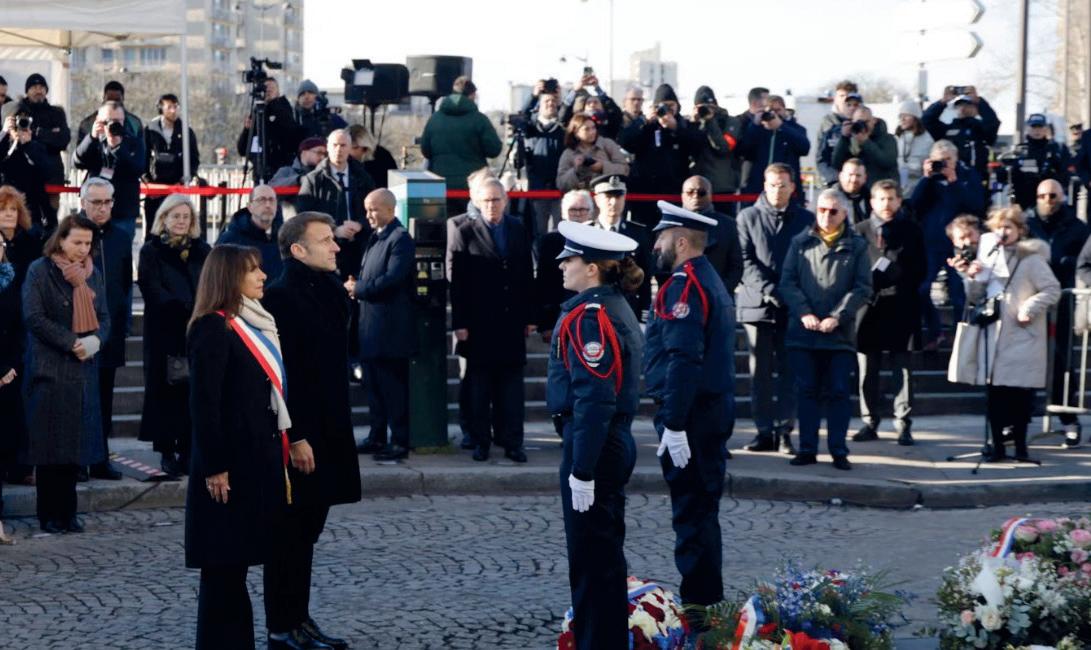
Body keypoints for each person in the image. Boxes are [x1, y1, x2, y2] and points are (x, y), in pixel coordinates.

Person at [262, 213, 362, 650]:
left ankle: (299, 620)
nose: (336, 247)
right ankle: (281, 627)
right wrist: (297, 435)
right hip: (300, 433)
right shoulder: (281, 297)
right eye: (325, 241)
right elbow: (283, 377)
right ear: (298, 250)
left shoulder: (330, 291)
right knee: (289, 534)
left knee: (307, 533)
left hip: (331, 428)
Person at [185, 244, 290, 649]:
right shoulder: (213, 327)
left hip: (253, 461)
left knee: (237, 563)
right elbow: (205, 404)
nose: (263, 276)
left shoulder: (250, 322)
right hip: (227, 467)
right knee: (223, 567)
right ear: (229, 277)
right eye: (252, 271)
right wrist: (215, 466)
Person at [548, 221, 644, 649]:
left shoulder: (591, 315)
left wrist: (582, 468)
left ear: (591, 269)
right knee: (601, 559)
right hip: (605, 440)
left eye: (568, 260)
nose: (561, 266)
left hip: (595, 444)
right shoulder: (609, 306)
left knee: (592, 563)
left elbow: (594, 397)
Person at [642, 201, 735, 629]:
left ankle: (698, 613)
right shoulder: (706, 277)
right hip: (708, 413)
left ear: (681, 241)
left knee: (692, 515)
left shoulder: (683, 285)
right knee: (702, 512)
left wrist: (675, 423)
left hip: (692, 417)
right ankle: (705, 603)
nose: (655, 246)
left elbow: (683, 358)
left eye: (661, 238)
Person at [22, 215, 109, 533]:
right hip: (50, 368)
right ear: (61, 240)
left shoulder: (92, 273)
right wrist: (71, 342)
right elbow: (34, 317)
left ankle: (68, 512)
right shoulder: (40, 270)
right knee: (50, 449)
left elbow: (105, 317)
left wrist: (96, 341)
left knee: (74, 448)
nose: (83, 249)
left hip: (83, 369)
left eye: (88, 243)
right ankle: (49, 514)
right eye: (77, 242)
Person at [779, 189, 872, 470]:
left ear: (844, 213)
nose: (826, 216)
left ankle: (838, 450)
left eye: (833, 211)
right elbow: (788, 283)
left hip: (839, 335)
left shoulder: (857, 245)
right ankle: (807, 448)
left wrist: (838, 316)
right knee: (806, 391)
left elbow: (862, 287)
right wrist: (804, 312)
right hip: (804, 333)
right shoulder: (800, 242)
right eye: (821, 210)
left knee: (839, 392)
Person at [446, 178, 534, 463]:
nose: (492, 205)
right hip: (478, 324)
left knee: (512, 389)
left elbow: (526, 274)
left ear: (505, 201)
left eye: (496, 200)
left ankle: (513, 442)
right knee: (479, 388)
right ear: (477, 202)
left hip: (511, 323)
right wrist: (459, 323)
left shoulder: (517, 228)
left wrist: (529, 316)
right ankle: (480, 441)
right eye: (486, 200)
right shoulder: (465, 230)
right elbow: (458, 283)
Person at [963, 207, 1060, 462]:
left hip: (1021, 336)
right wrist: (972, 278)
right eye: (998, 227)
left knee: (1020, 396)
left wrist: (1029, 307)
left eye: (1008, 227)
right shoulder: (989, 257)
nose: (1003, 232)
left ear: (1019, 230)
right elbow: (975, 297)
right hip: (994, 335)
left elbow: (1052, 289)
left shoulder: (1031, 259)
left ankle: (1020, 448)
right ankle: (997, 447)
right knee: (995, 396)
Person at [737, 164, 815, 453]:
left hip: (792, 307)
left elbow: (810, 261)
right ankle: (763, 432)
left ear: (792, 187)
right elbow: (745, 261)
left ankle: (785, 432)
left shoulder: (806, 219)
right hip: (757, 306)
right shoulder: (747, 216)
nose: (777, 190)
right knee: (760, 374)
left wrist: (790, 295)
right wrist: (771, 291)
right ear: (764, 185)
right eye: (772, 184)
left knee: (788, 373)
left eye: (782, 185)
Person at [136, 194, 211, 476]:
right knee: (165, 393)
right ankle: (167, 451)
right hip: (164, 331)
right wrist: (182, 308)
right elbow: (151, 288)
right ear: (164, 218)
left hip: (197, 330)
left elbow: (211, 283)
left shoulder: (203, 249)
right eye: (175, 216)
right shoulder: (151, 250)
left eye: (186, 217)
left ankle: (190, 451)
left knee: (194, 392)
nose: (181, 221)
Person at [853, 180, 926, 445]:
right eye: (881, 199)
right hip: (868, 307)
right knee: (867, 368)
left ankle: (903, 422)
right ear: (872, 202)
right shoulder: (859, 231)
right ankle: (869, 421)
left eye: (892, 198)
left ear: (899, 201)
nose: (886, 204)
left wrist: (897, 274)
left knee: (902, 369)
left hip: (901, 304)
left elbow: (921, 268)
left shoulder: (911, 230)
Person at [350, 190, 417, 462]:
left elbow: (392, 279)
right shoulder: (375, 237)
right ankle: (376, 436)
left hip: (391, 332)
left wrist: (359, 288)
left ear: (390, 209)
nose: (368, 215)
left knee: (393, 389)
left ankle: (399, 440)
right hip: (370, 330)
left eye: (374, 209)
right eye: (367, 209)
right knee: (374, 388)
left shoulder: (400, 239)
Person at [1026, 179, 1089, 447]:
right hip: (1031, 300)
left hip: (1062, 302)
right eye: (1042, 195)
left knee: (1062, 363)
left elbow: (1086, 261)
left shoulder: (1077, 227)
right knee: (1024, 360)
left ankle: (1068, 421)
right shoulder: (1027, 224)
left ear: (1062, 197)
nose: (1048, 200)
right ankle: (1016, 422)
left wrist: (1067, 263)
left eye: (1053, 195)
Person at [910, 139, 985, 349]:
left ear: (956, 159)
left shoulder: (968, 176)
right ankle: (936, 332)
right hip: (932, 242)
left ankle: (960, 336)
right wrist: (926, 179)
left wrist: (954, 182)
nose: (943, 164)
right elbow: (914, 205)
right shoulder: (930, 180)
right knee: (922, 289)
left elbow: (976, 205)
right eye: (939, 161)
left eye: (948, 160)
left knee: (959, 293)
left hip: (959, 244)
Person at [81, 178, 131, 481]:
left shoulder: (121, 238)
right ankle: (76, 461)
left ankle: (100, 459)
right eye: (96, 202)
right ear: (83, 202)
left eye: (107, 202)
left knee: (104, 399)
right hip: (78, 331)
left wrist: (122, 324)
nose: (102, 208)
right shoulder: (70, 233)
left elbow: (124, 284)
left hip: (109, 331)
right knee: (78, 399)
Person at [297, 128, 377, 280]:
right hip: (325, 249)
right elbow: (304, 216)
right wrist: (334, 230)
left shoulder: (363, 177)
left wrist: (360, 224)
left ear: (350, 148)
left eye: (343, 145)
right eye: (334, 145)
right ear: (327, 147)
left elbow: (375, 209)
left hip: (359, 248)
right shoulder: (313, 180)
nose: (338, 149)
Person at [617, 84, 701, 225]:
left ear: (677, 106)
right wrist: (643, 121)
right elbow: (625, 142)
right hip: (645, 192)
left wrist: (676, 128)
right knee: (644, 231)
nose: (667, 109)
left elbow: (696, 147)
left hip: (674, 191)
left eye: (671, 105)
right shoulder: (646, 126)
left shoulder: (684, 125)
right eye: (663, 105)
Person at [0, 186, 38, 488]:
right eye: (3, 210)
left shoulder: (29, 243)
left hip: (23, 327)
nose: (9, 215)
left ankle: (20, 465)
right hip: (6, 330)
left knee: (20, 404)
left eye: (13, 209)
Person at [72, 101, 147, 240]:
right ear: (98, 120)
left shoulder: (134, 142)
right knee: (90, 247)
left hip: (123, 210)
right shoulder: (94, 141)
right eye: (107, 121)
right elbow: (77, 162)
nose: (112, 125)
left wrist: (118, 147)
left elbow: (138, 169)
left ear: (124, 121)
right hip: (94, 209)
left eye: (117, 121)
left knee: (120, 249)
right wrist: (92, 138)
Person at [420, 76, 503, 192]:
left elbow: (425, 150)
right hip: (473, 184)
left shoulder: (434, 119)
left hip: (440, 184)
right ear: (472, 95)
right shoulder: (479, 119)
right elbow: (494, 150)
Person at [2, 73, 70, 214]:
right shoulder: (17, 110)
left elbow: (63, 140)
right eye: (34, 87)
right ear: (27, 91)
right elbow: (13, 139)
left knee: (50, 216)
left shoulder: (56, 113)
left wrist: (36, 133)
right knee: (22, 216)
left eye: (41, 87)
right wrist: (50, 133)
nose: (38, 91)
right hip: (21, 178)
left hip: (50, 178)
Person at [590, 175, 652, 320]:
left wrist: (644, 313)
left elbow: (645, 277)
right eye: (608, 196)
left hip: (628, 308)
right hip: (594, 308)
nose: (613, 202)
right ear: (597, 199)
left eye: (618, 196)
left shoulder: (638, 233)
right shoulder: (587, 232)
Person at [535, 190, 595, 337]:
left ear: (591, 213)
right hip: (558, 316)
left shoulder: (599, 241)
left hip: (592, 314)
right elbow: (543, 283)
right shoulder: (549, 242)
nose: (578, 214)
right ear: (563, 213)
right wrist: (545, 323)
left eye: (583, 209)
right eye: (572, 209)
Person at [143, 93, 200, 235]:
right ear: (161, 108)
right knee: (153, 229)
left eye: (176, 107)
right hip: (154, 190)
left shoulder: (186, 131)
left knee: (177, 229)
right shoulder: (150, 130)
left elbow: (194, 158)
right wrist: (147, 181)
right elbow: (143, 157)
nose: (173, 111)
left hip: (177, 188)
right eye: (169, 107)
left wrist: (185, 178)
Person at [922, 86, 1000, 186]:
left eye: (967, 105)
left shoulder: (982, 130)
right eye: (959, 105)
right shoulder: (947, 130)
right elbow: (927, 120)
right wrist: (942, 102)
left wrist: (979, 101)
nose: (963, 108)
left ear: (975, 108)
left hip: (976, 179)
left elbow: (993, 123)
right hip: (950, 179)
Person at [681, 175, 742, 293]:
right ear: (683, 196)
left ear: (710, 195)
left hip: (717, 294)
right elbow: (662, 266)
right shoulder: (671, 225)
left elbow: (736, 265)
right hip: (679, 294)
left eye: (701, 192)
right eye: (690, 192)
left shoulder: (728, 225)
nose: (695, 196)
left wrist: (721, 291)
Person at [737, 95, 810, 194]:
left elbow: (804, 148)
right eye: (770, 111)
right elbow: (743, 150)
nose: (774, 114)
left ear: (784, 110)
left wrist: (782, 126)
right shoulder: (757, 130)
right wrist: (755, 124)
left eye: (777, 110)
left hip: (785, 186)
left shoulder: (796, 129)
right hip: (758, 186)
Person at [688, 86, 744, 212]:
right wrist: (693, 123)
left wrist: (710, 122)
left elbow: (723, 147)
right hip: (697, 187)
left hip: (723, 187)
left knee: (724, 222)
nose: (706, 110)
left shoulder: (730, 122)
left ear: (716, 105)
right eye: (701, 107)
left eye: (710, 106)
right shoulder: (691, 123)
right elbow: (687, 149)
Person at [237, 77, 301, 183]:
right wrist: (247, 130)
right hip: (260, 174)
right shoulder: (257, 113)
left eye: (272, 88)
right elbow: (243, 149)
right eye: (265, 88)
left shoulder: (284, 109)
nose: (268, 90)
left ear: (278, 92)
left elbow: (290, 134)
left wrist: (273, 103)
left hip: (281, 174)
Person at [520, 85, 566, 236]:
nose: (550, 104)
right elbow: (522, 116)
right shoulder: (531, 128)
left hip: (559, 188)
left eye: (554, 101)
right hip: (537, 188)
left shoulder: (562, 129)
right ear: (539, 106)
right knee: (538, 231)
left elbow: (568, 113)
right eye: (546, 101)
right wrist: (534, 96)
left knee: (561, 231)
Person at [0, 111, 52, 234]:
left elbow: (47, 172)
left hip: (31, 211)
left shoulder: (36, 147)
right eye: (17, 122)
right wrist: (4, 134)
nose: (20, 126)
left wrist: (28, 145)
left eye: (24, 122)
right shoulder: (3, 144)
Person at [1006, 114, 1072, 210]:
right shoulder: (1019, 150)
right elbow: (1010, 176)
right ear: (1028, 128)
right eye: (1034, 127)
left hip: (1048, 199)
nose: (1037, 130)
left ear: (1045, 129)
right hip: (1024, 200)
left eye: (1040, 127)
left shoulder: (1055, 150)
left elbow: (1064, 174)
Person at [218, 184, 284, 280]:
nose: (268, 205)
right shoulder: (230, 240)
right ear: (250, 206)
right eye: (261, 200)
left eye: (272, 200)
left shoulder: (286, 238)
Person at [555, 114, 628, 192]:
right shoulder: (568, 153)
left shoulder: (607, 144)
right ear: (576, 132)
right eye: (586, 129)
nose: (592, 132)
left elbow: (625, 170)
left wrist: (603, 167)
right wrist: (576, 171)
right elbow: (561, 184)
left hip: (606, 194)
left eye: (593, 128)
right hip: (582, 196)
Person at [832, 105, 898, 186]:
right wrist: (844, 138)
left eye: (866, 122)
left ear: (874, 121)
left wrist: (866, 142)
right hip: (857, 187)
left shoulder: (888, 139)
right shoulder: (850, 140)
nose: (863, 125)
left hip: (881, 187)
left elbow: (887, 162)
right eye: (859, 122)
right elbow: (837, 163)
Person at [815, 81, 862, 186]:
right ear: (835, 99)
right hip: (834, 181)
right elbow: (821, 157)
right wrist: (834, 180)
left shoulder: (865, 121)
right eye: (841, 96)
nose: (844, 100)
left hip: (859, 180)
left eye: (848, 96)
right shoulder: (828, 123)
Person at [269, 136, 326, 219]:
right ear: (304, 153)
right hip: (292, 220)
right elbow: (271, 188)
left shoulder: (325, 174)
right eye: (319, 153)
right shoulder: (286, 171)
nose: (322, 157)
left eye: (325, 154)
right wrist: (298, 180)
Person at [76, 80, 143, 141]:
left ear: (123, 99)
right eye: (109, 99)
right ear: (103, 98)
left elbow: (141, 148)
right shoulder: (88, 124)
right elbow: (80, 149)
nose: (113, 103)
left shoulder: (134, 123)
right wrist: (92, 137)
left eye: (117, 99)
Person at [894, 99, 934, 195]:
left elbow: (927, 166)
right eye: (900, 116)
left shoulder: (927, 140)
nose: (902, 119)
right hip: (900, 188)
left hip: (919, 188)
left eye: (906, 115)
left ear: (916, 118)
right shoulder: (898, 137)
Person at [347, 124, 397, 190]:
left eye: (354, 148)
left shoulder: (382, 157)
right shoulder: (345, 159)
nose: (349, 152)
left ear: (365, 147)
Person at [831, 158, 870, 224]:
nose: (854, 179)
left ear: (865, 178)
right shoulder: (830, 199)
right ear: (841, 176)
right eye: (850, 175)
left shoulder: (870, 199)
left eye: (858, 175)